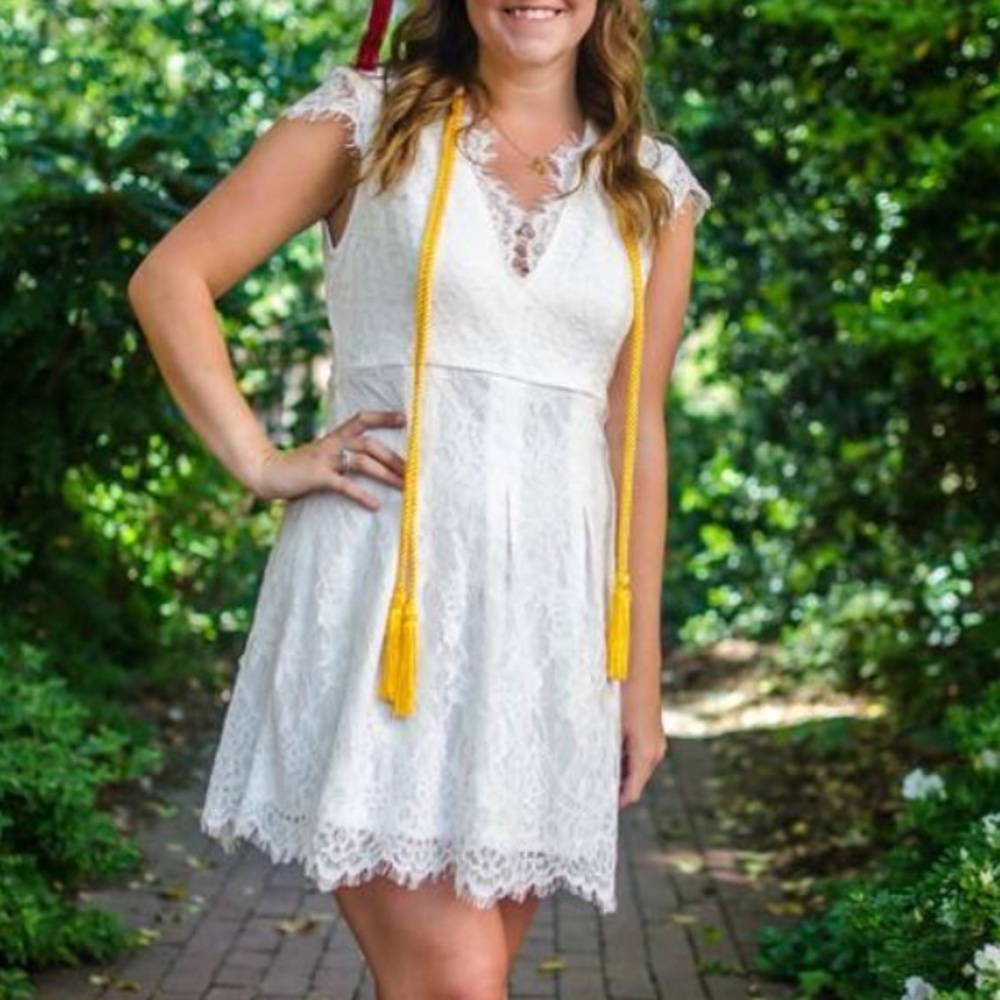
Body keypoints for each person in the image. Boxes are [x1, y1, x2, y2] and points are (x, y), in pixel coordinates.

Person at [127, 0, 710, 995]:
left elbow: (635, 434)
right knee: (455, 981)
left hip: (545, 639)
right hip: (379, 611)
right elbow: (171, 277)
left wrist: (640, 681)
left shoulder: (650, 187)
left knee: (446, 978)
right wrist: (262, 462)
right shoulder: (366, 122)